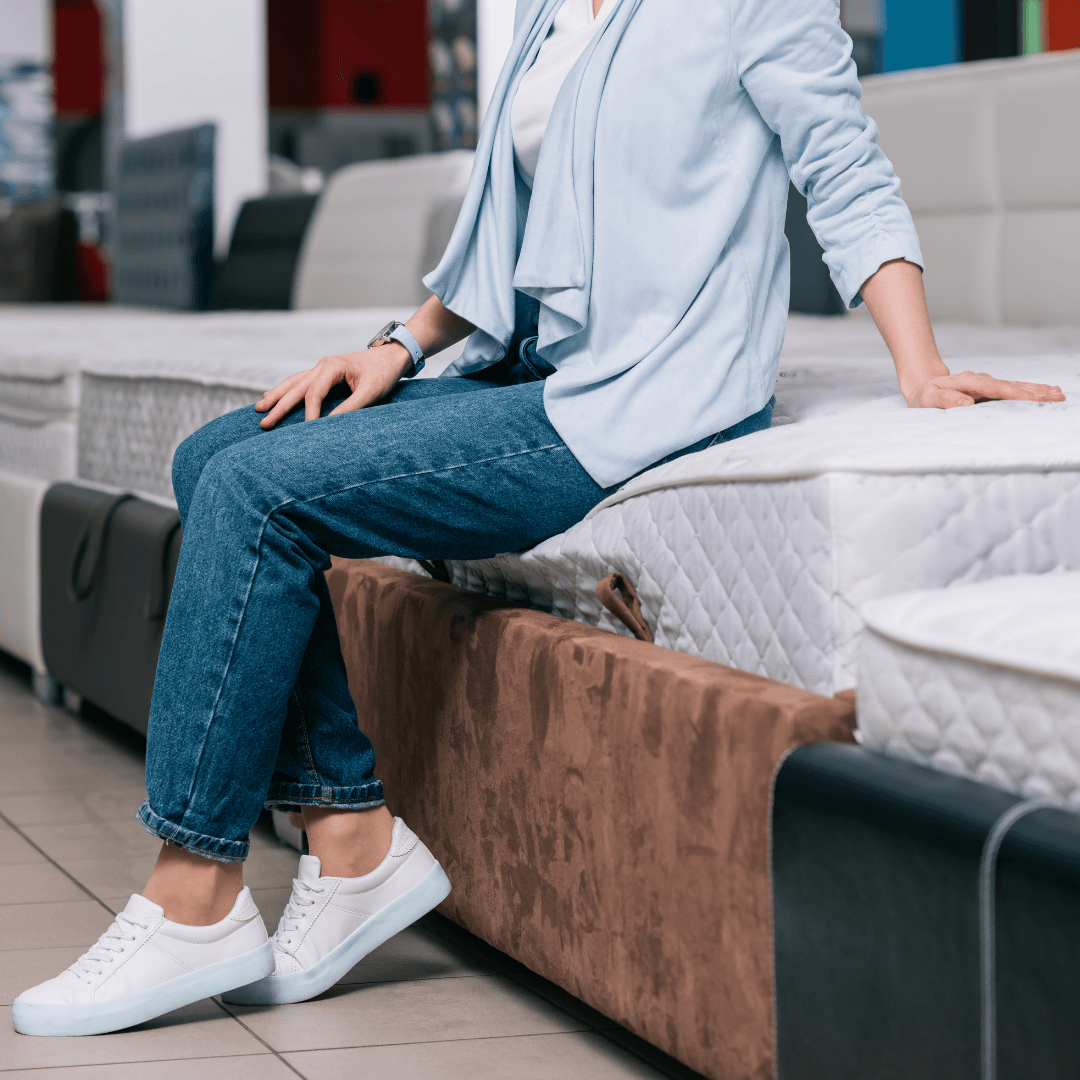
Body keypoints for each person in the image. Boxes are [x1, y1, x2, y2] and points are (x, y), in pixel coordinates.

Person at [13, 0, 1063, 1038]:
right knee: (214, 457)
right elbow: (501, 231)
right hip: (531, 374)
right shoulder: (553, 11)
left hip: (645, 397)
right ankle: (351, 834)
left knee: (257, 493)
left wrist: (919, 368)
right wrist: (398, 347)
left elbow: (844, 169)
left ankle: (195, 888)